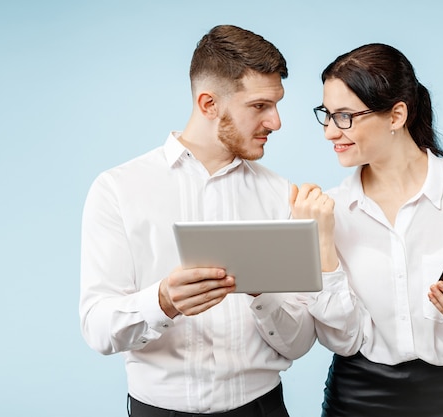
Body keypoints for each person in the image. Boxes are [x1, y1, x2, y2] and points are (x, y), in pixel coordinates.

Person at [79, 25, 317, 417]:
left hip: (261, 408)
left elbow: (299, 343)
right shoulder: (118, 189)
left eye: (276, 105)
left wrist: (263, 295)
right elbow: (97, 328)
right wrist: (163, 301)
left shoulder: (280, 194)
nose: (276, 122)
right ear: (208, 104)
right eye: (259, 106)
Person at [292, 43, 443, 416]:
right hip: (354, 400)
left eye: (344, 116)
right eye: (326, 114)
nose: (328, 132)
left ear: (396, 115)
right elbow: (344, 336)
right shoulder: (330, 210)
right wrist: (321, 241)